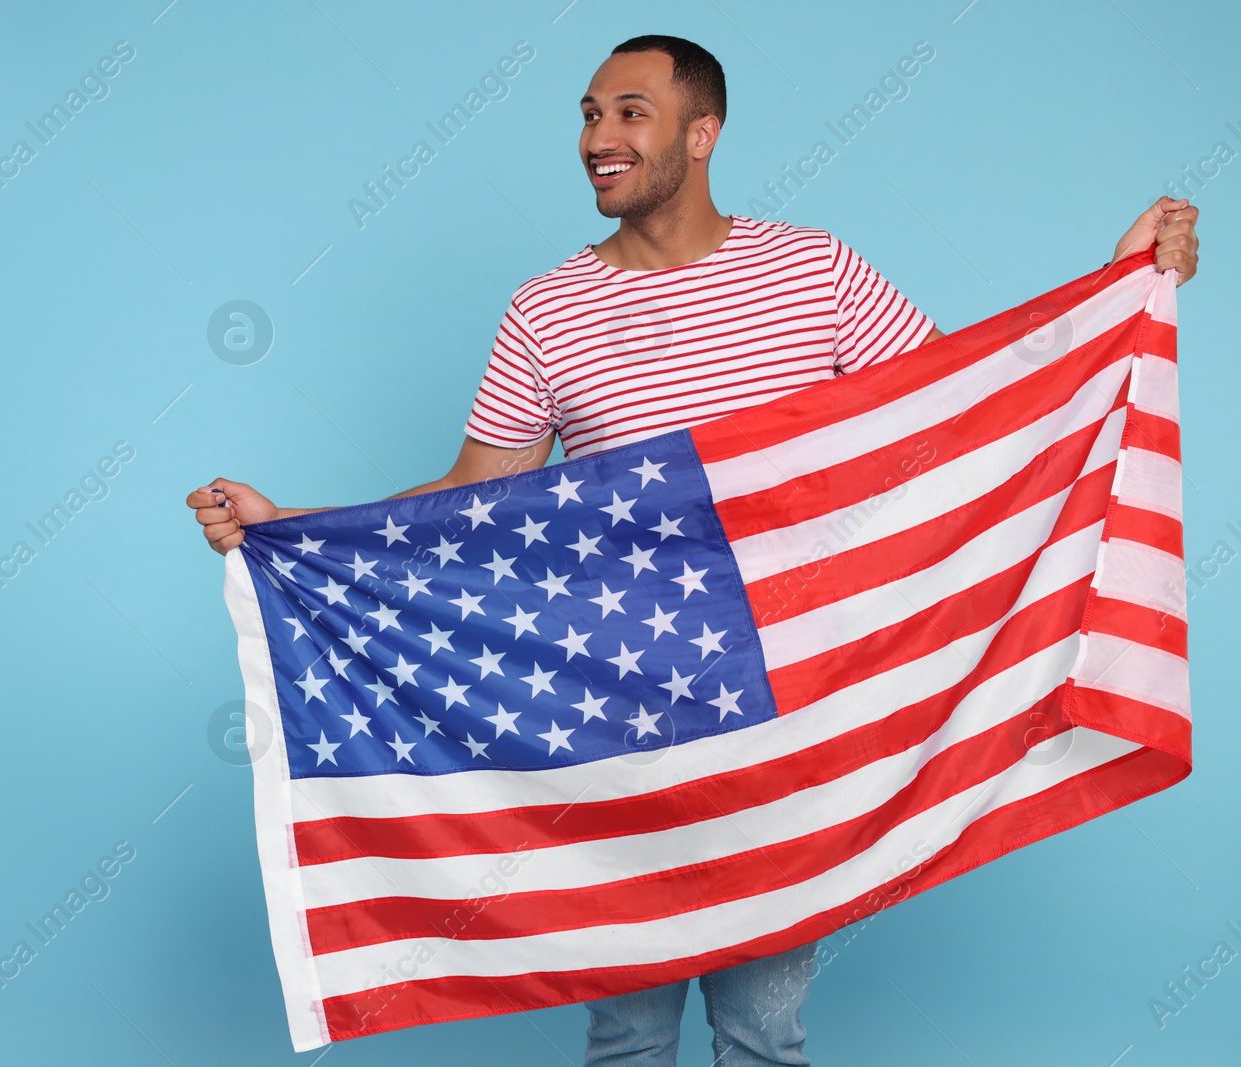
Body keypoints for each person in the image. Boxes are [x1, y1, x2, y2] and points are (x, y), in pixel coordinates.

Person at [189, 33, 1199, 1067]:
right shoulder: (546, 309)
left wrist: (1113, 295)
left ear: (700, 132)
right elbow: (474, 494)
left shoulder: (813, 268)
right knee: (626, 1029)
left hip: (789, 707)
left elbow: (961, 405)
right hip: (617, 712)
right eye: (587, 114)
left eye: (629, 111)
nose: (598, 137)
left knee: (764, 1026)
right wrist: (293, 531)